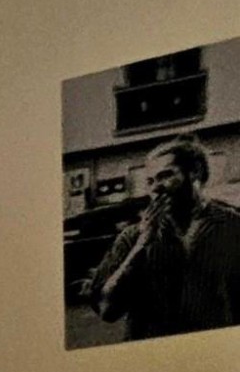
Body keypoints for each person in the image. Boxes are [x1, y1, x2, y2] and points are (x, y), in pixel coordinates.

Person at [83, 137, 240, 340]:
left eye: (165, 175)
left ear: (196, 172)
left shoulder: (234, 226)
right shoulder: (132, 237)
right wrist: (141, 245)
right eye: (150, 181)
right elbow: (106, 309)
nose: (156, 188)